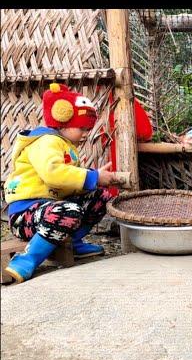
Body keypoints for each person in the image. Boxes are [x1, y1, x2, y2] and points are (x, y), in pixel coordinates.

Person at [2, 83, 120, 284]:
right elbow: (53, 173)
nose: (86, 134)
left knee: (101, 197)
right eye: (82, 128)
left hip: (50, 208)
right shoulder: (46, 141)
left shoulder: (64, 144)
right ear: (62, 122)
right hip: (26, 215)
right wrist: (93, 177)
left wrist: (93, 178)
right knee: (69, 210)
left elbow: (68, 180)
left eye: (88, 129)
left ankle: (72, 243)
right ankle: (29, 258)